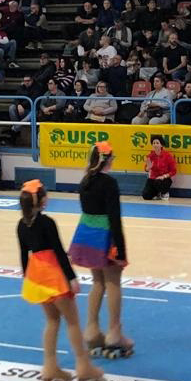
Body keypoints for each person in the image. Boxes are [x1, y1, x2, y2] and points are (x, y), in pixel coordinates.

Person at [17, 179, 104, 381]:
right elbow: (57, 250)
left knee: (52, 320)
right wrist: (71, 277)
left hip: (36, 276)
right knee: (72, 322)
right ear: (42, 201)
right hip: (53, 275)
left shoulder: (21, 224)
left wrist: (28, 278)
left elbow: (24, 256)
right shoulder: (47, 222)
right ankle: (84, 367)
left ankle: (50, 367)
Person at [70, 144, 132, 359]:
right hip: (105, 236)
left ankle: (92, 330)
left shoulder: (85, 181)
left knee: (98, 282)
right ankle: (114, 332)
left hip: (86, 234)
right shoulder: (109, 183)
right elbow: (114, 217)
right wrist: (121, 250)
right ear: (108, 160)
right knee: (113, 282)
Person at [141, 135, 177, 201]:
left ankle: (164, 193)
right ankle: (157, 193)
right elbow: (146, 168)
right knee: (146, 195)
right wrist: (148, 168)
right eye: (154, 143)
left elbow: (173, 171)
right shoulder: (150, 156)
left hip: (164, 179)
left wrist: (164, 176)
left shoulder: (168, 155)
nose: (155, 145)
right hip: (153, 178)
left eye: (157, 143)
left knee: (158, 182)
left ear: (161, 145)